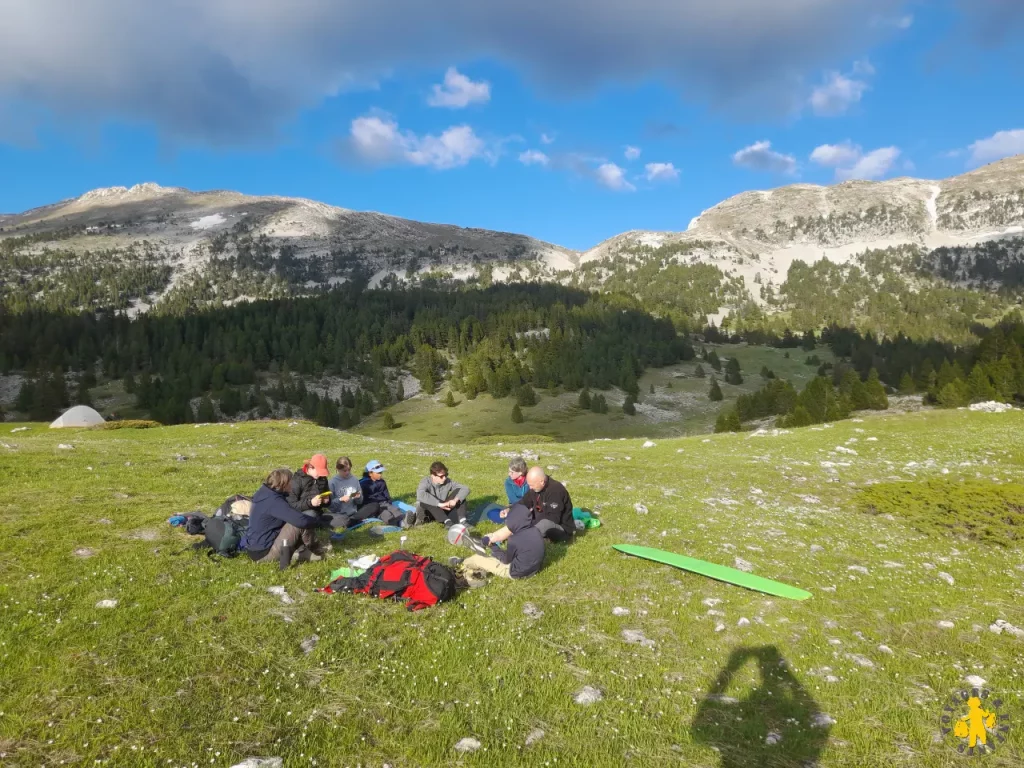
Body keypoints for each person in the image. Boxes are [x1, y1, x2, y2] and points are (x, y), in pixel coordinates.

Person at [244, 468, 329, 570]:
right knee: (300, 522)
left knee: (298, 518)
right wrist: (318, 522)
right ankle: (315, 549)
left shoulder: (264, 493)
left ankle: (303, 551)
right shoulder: (274, 501)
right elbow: (300, 521)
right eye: (291, 481)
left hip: (255, 549)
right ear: (284, 484)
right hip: (263, 553)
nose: (292, 485)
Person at [489, 466, 574, 544]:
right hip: (538, 523)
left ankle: (519, 539)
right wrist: (509, 509)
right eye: (529, 485)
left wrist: (529, 523)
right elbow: (523, 502)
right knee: (520, 514)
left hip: (561, 529)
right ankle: (493, 537)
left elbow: (553, 519)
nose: (530, 488)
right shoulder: (536, 488)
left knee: (543, 524)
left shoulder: (556, 491)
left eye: (531, 485)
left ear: (542, 481)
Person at [460, 503, 543, 580]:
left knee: (477, 559)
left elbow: (505, 560)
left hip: (515, 573)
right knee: (491, 558)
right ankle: (479, 568)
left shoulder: (514, 540)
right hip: (534, 569)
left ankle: (462, 564)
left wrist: (492, 546)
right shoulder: (536, 531)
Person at [415, 461, 470, 527]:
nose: (444, 478)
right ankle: (447, 522)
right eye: (441, 476)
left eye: (446, 475)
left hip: (444, 509)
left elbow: (465, 488)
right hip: (430, 512)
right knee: (426, 499)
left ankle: (462, 521)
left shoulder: (447, 481)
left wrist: (455, 500)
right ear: (433, 476)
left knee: (460, 493)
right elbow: (420, 495)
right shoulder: (425, 481)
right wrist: (440, 504)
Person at [357, 459, 409, 527]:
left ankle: (406, 519)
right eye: (378, 473)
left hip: (384, 503)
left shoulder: (382, 482)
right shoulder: (362, 483)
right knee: (386, 514)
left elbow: (387, 496)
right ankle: (398, 523)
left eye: (381, 472)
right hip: (373, 506)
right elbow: (361, 500)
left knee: (395, 509)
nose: (380, 475)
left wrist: (389, 504)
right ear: (370, 473)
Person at [287, 453, 331, 519]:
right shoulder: (297, 480)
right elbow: (291, 505)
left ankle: (318, 523)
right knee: (312, 514)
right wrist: (310, 503)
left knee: (343, 519)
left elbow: (327, 501)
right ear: (310, 467)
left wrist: (326, 500)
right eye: (319, 472)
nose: (320, 475)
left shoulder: (323, 478)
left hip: (319, 512)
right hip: (301, 513)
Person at [327, 456, 363, 528]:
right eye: (344, 470)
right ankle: (348, 522)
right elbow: (330, 506)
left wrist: (358, 497)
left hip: (353, 513)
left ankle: (352, 521)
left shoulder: (354, 480)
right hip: (339, 514)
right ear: (337, 469)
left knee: (374, 506)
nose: (347, 472)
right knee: (343, 519)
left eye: (349, 470)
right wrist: (340, 499)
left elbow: (360, 502)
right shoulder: (332, 483)